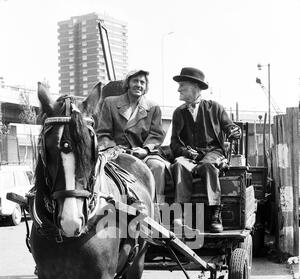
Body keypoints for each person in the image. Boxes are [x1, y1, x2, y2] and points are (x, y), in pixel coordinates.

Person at [170, 67, 241, 233]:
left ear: (195, 88)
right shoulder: (178, 113)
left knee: (208, 166)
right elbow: (174, 143)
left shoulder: (215, 107)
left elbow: (230, 126)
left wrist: (234, 131)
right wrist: (185, 152)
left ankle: (216, 213)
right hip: (190, 157)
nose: (178, 89)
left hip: (213, 153)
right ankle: (179, 214)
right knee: (179, 164)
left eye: (183, 86)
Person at [96, 69, 172, 203]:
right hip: (116, 153)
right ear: (128, 84)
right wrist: (114, 148)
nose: (139, 85)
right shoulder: (110, 103)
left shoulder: (153, 107)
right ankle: (104, 201)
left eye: (142, 82)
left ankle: (156, 206)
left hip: (143, 154)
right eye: (135, 81)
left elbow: (156, 134)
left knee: (157, 166)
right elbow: (103, 133)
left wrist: (145, 150)